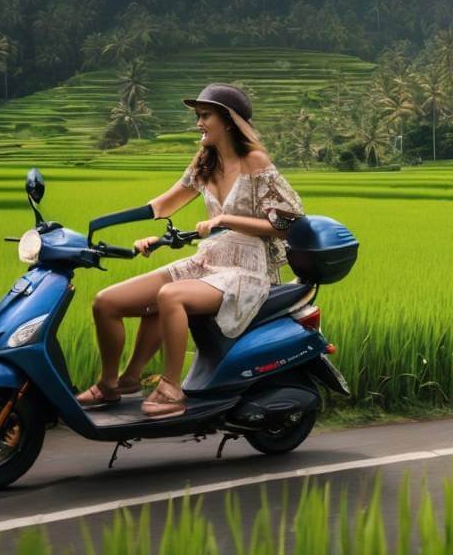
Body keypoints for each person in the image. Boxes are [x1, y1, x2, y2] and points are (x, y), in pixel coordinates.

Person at [75, 83, 304, 417]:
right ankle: (114, 384)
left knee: (171, 296)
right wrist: (106, 223)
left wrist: (227, 218)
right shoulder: (204, 163)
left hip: (246, 270)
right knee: (107, 302)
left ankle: (171, 388)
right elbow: (164, 205)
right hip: (209, 260)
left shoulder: (254, 161)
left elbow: (289, 222)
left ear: (228, 121)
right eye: (198, 116)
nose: (198, 123)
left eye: (205, 116)